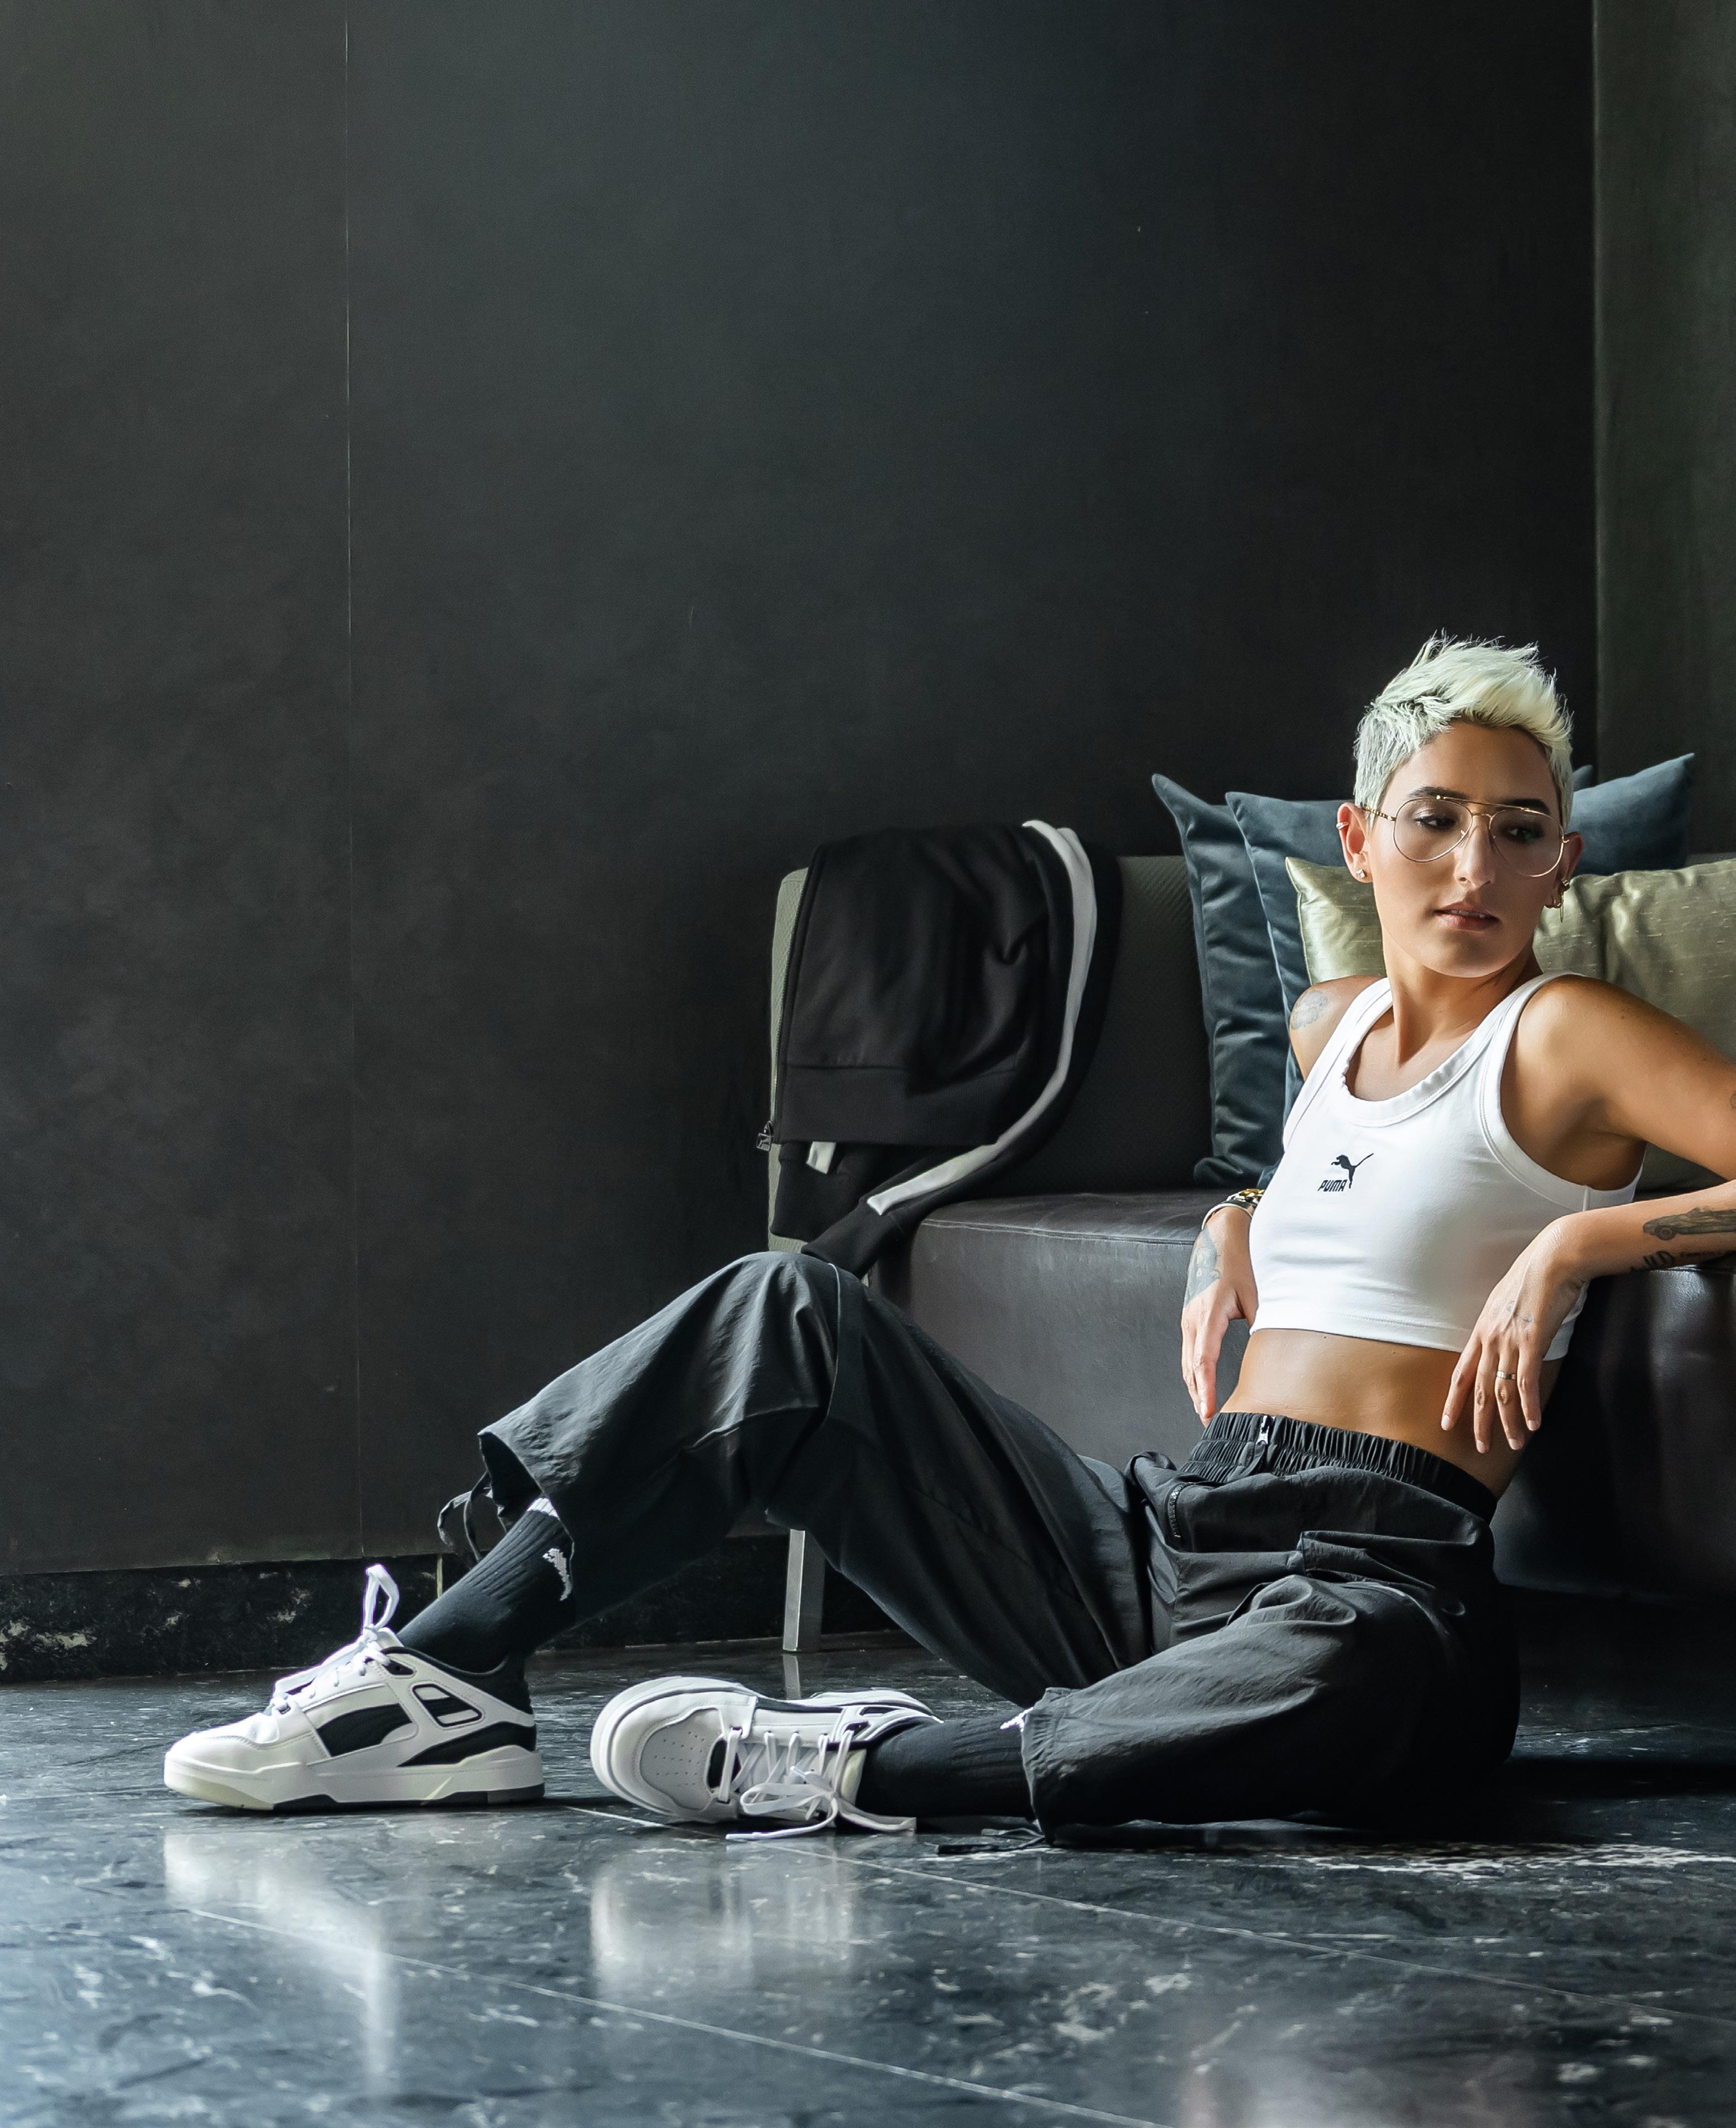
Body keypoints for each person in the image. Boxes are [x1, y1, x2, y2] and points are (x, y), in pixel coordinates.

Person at [164, 637, 1736, 1836]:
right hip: (1166, 1538)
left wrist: (1582, 1246)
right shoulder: (1329, 1024)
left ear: (1563, 860)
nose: (1474, 867)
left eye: (1519, 830)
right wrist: (1235, 1212)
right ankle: (448, 1678)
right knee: (787, 1307)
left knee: (1382, 1670)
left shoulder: (1568, 1034)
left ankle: (864, 1768)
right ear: (1358, 837)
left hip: (1367, 1566)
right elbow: (1371, 1185)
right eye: (1436, 820)